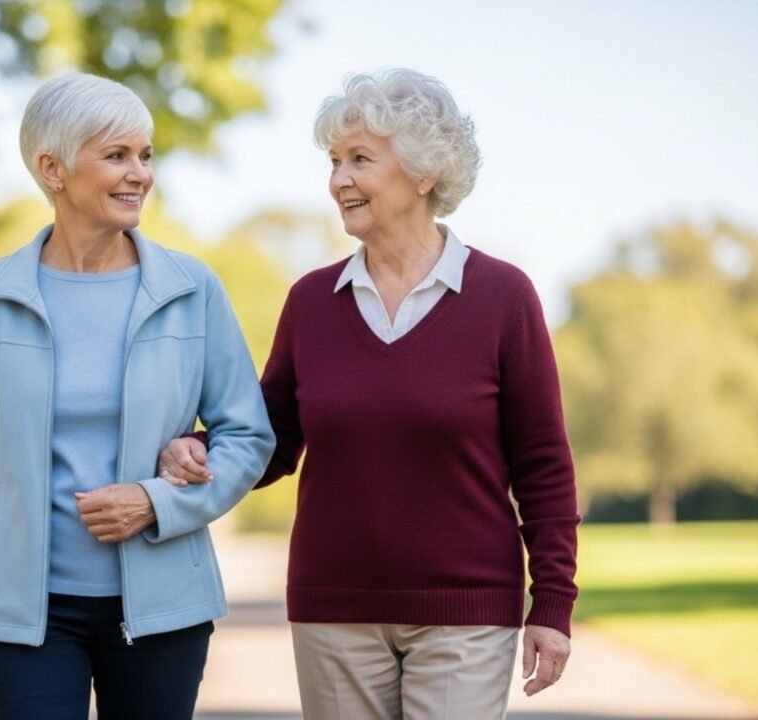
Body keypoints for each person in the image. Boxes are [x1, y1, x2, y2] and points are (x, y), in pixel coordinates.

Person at [159, 68, 579, 719]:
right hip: (334, 613)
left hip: (464, 615)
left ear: (423, 173)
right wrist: (198, 451)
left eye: (360, 160)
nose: (339, 180)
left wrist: (552, 602)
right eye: (333, 161)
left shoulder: (503, 298)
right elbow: (271, 437)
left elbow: (544, 464)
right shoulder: (311, 303)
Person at [0, 73, 274, 719]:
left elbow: (248, 435)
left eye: (145, 155)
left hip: (164, 609)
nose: (139, 173)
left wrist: (154, 500)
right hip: (26, 620)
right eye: (116, 155)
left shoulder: (191, 288)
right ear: (52, 168)